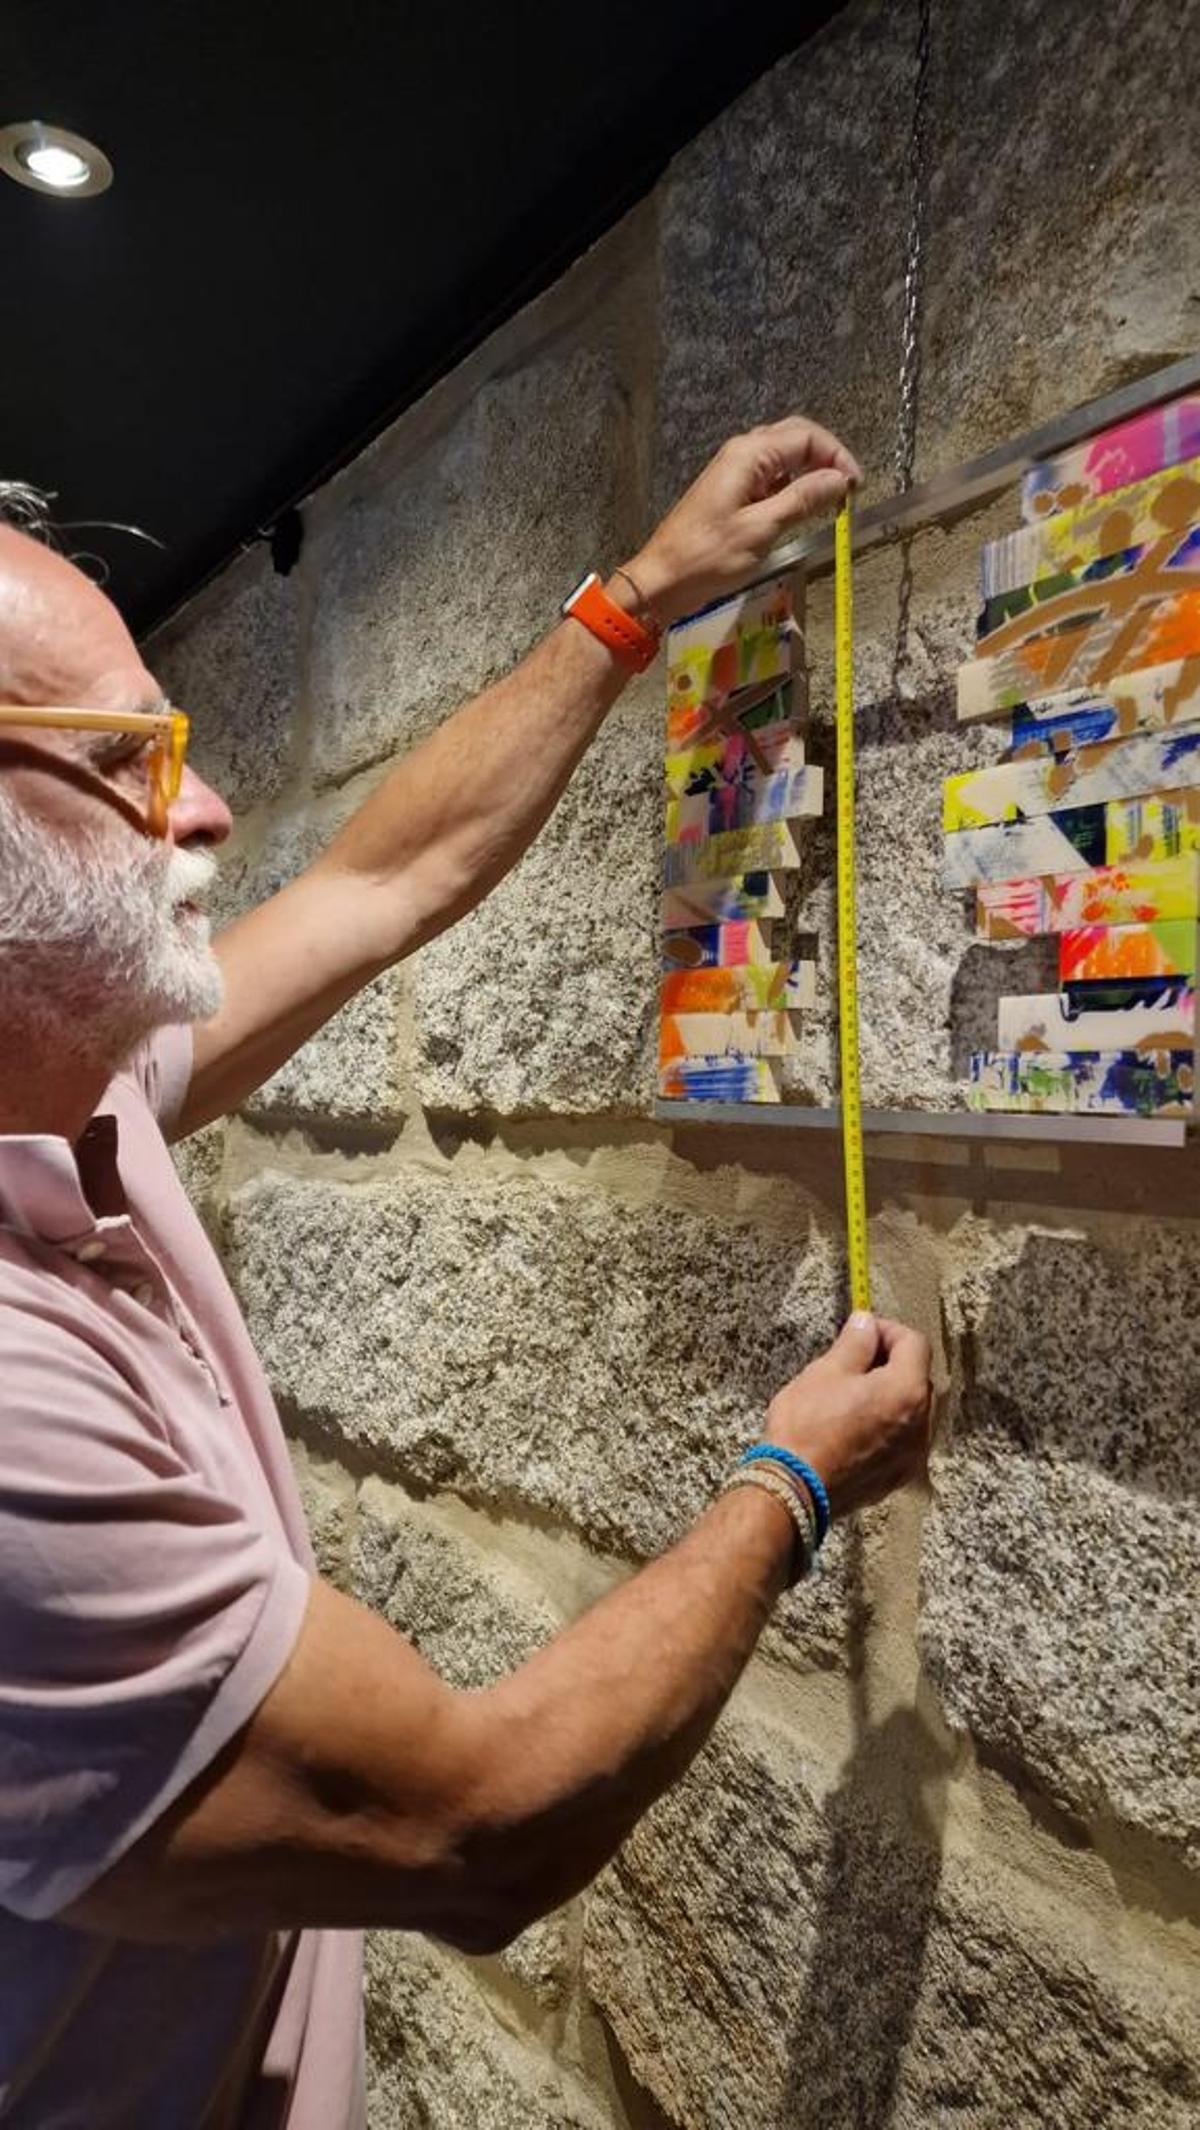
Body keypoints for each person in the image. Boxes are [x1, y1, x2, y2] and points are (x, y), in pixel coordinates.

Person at [0, 416, 931, 2127]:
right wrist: (796, 1478)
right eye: (129, 756)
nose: (205, 807)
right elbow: (475, 1823)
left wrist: (632, 603)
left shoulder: (65, 1081)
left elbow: (383, 876)